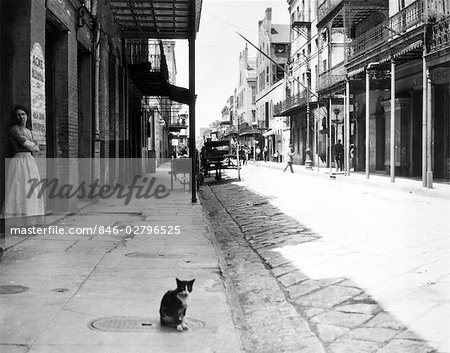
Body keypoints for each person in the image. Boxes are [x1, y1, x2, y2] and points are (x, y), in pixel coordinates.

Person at [3, 106, 45, 218]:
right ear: (15, 117)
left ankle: (30, 217)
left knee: (30, 188)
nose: (21, 117)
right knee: (18, 188)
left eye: (23, 114)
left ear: (27, 116)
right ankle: (16, 218)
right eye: (18, 115)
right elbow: (27, 144)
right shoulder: (14, 129)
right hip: (19, 161)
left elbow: (37, 147)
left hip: (30, 162)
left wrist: (34, 146)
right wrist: (33, 146)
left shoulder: (29, 131)